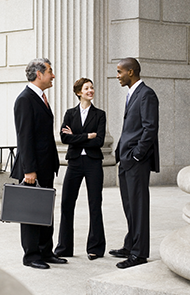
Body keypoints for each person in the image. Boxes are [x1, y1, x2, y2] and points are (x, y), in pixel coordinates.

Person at [10, 58, 67, 269]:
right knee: (31, 212)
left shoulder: (41, 98)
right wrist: (29, 170)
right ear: (38, 74)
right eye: (50, 71)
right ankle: (32, 256)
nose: (53, 76)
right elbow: (24, 138)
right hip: (32, 169)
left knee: (45, 210)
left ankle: (45, 251)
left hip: (45, 166)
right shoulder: (25, 99)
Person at [109, 57, 159, 269]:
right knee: (129, 206)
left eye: (120, 72)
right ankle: (131, 244)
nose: (118, 76)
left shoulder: (147, 94)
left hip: (137, 161)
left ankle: (139, 254)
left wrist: (137, 155)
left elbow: (150, 128)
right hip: (127, 159)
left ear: (131, 72)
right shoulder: (132, 94)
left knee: (138, 207)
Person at [54, 78, 106, 260]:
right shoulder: (70, 114)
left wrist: (76, 136)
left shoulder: (100, 114)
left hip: (93, 163)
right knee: (67, 203)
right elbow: (64, 138)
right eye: (86, 88)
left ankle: (96, 248)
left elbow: (99, 141)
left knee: (95, 204)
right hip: (74, 163)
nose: (90, 90)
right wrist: (86, 136)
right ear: (78, 93)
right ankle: (64, 247)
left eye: (92, 87)